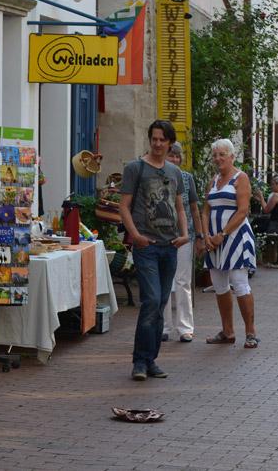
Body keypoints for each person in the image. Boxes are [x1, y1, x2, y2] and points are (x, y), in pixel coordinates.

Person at [119, 120, 189, 381]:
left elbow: (179, 206)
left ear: (170, 142)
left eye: (163, 139)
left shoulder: (174, 172)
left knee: (160, 304)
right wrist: (135, 235)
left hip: (170, 246)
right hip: (146, 246)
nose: (158, 144)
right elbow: (123, 205)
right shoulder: (135, 168)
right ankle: (139, 361)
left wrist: (184, 235)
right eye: (154, 139)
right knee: (150, 300)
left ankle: (151, 360)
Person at [202, 139, 259, 348]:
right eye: (215, 155)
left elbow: (243, 210)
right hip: (215, 240)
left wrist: (222, 234)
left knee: (239, 283)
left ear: (232, 156)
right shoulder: (213, 180)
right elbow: (206, 209)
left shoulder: (240, 178)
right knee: (219, 285)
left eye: (222, 155)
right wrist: (206, 234)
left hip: (235, 237)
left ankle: (250, 332)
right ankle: (227, 331)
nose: (218, 159)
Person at [162, 142, 204, 343]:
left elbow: (194, 209)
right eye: (171, 155)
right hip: (160, 236)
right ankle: (163, 327)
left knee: (183, 282)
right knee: (164, 281)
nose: (175, 159)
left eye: (178, 156)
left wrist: (200, 236)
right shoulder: (155, 176)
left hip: (185, 236)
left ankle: (185, 327)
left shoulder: (187, 179)